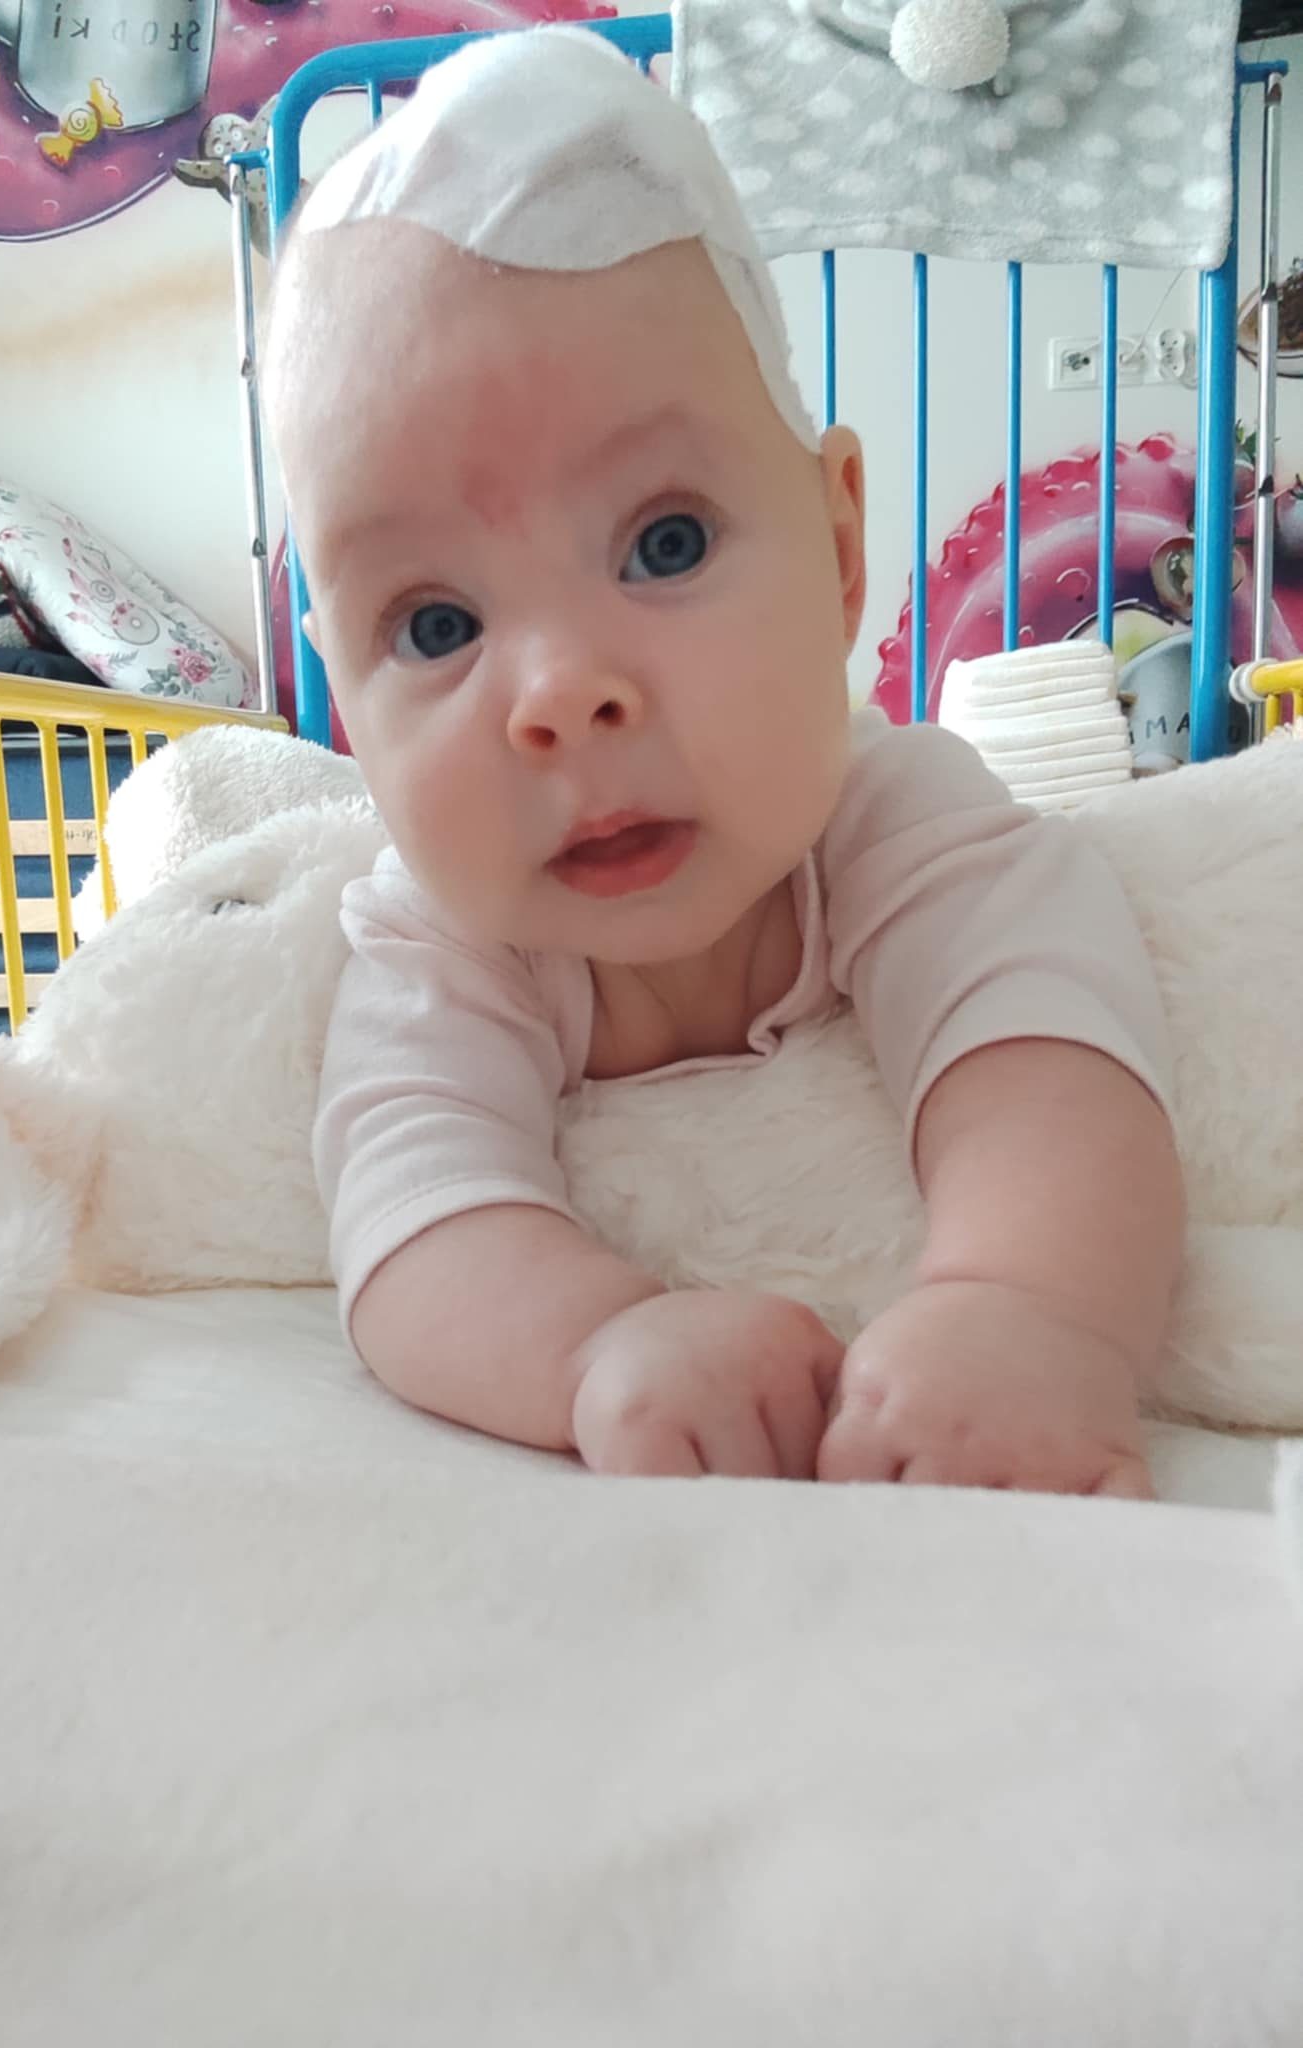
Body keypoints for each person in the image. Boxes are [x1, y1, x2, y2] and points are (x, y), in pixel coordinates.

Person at [266, 26, 1183, 1494]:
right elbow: (410, 1203)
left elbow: (1043, 1045)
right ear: (345, 700)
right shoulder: (443, 940)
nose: (561, 696)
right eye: (436, 625)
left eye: (666, 543)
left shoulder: (894, 812)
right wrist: (594, 1344)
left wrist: (1025, 1308)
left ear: (838, 550)